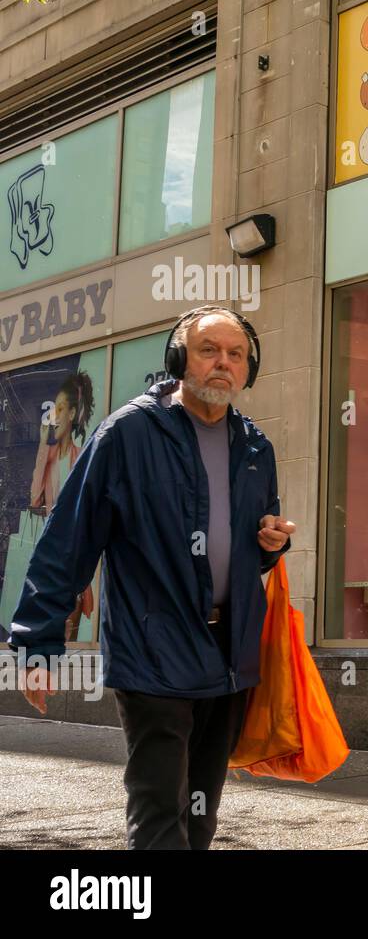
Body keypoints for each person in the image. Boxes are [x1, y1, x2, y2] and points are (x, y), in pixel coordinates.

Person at [7, 305, 295, 849]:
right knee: (161, 816)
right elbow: (68, 539)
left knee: (201, 815)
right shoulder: (128, 434)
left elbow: (251, 550)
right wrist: (38, 644)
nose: (223, 364)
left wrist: (271, 544)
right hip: (153, 652)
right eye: (209, 350)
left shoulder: (255, 446)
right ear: (179, 359)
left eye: (236, 355)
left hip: (228, 657)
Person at [28, 371, 98, 642]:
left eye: (60, 408)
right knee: (49, 639)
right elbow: (35, 499)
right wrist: (43, 448)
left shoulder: (81, 457)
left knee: (67, 644)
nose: (54, 416)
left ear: (71, 414)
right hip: (49, 561)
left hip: (75, 563)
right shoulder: (49, 458)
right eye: (52, 409)